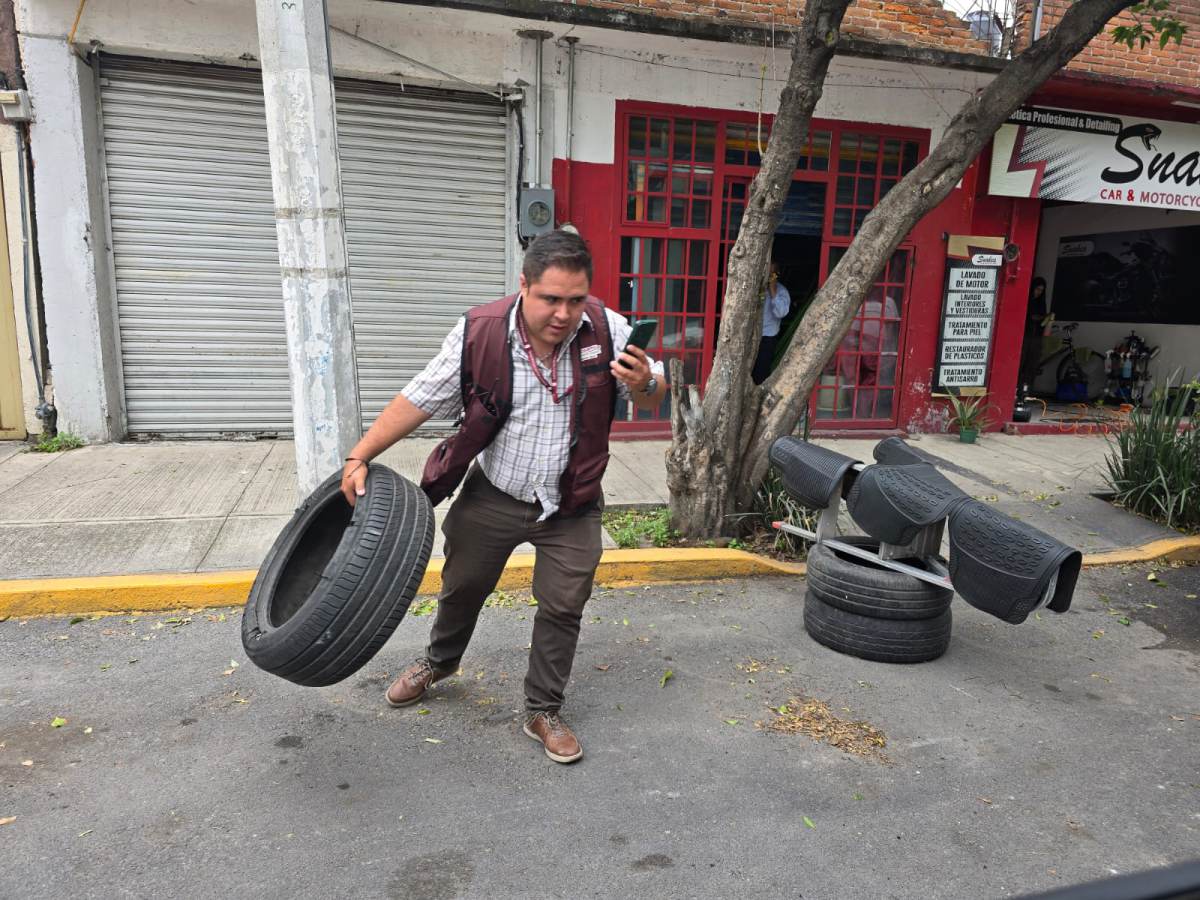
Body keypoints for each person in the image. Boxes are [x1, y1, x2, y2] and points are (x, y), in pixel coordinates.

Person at [339, 230, 666, 765]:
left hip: (573, 502)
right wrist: (360, 455)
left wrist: (644, 383)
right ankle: (440, 661)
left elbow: (655, 391)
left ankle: (543, 709)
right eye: (551, 298)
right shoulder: (481, 332)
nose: (564, 314)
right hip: (495, 492)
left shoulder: (609, 329)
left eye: (576, 299)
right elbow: (420, 397)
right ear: (524, 286)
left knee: (564, 606)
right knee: (462, 586)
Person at [752, 260, 791, 385]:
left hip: (767, 337)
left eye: (772, 274)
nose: (769, 277)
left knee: (761, 372)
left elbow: (781, 313)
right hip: (750, 335)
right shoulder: (752, 288)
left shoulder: (781, 291)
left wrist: (773, 292)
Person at [1019, 277, 1049, 388]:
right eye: (1037, 289)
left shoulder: (1041, 303)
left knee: (1032, 363)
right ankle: (1017, 386)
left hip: (1036, 336)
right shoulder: (1026, 300)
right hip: (1025, 335)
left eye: (1041, 290)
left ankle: (1026, 388)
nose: (1039, 292)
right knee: (1021, 362)